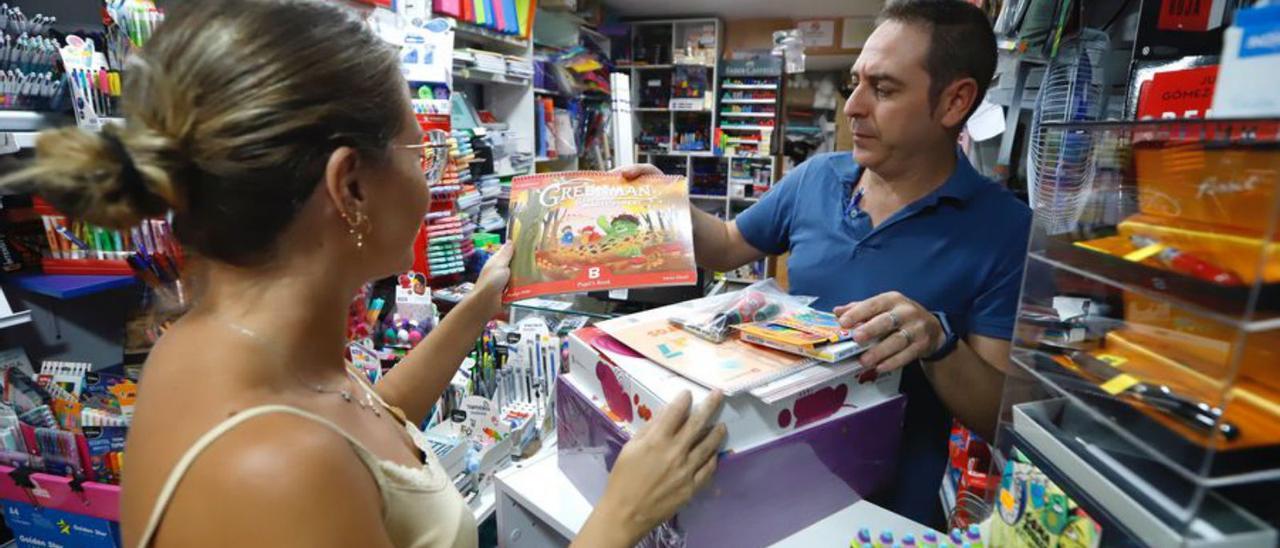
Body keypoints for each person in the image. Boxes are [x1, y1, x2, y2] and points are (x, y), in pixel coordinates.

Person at [6, 1, 726, 547]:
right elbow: (325, 458)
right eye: (422, 151)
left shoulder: (234, 348)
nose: (430, 174)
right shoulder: (275, 472)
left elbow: (367, 432)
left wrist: (478, 305)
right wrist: (619, 518)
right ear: (349, 185)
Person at [622, 0, 1029, 529]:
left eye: (882, 89)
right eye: (854, 84)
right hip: (764, 485)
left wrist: (939, 342)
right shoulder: (816, 178)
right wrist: (667, 202)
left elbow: (999, 417)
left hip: (883, 513)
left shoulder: (1004, 229)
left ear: (955, 102)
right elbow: (725, 244)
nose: (852, 108)